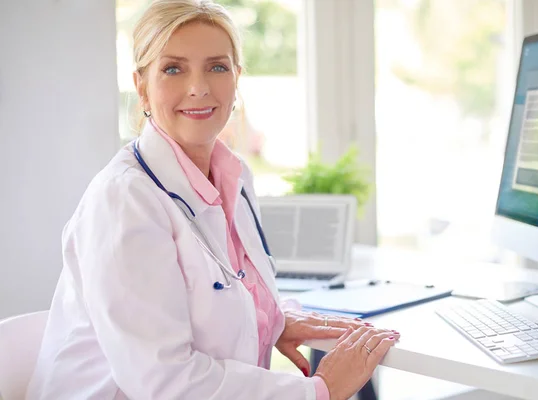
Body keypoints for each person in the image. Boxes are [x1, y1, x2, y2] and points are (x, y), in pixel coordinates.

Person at [26, 1, 400, 399]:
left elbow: (223, 292)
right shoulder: (124, 201)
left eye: (217, 67)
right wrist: (319, 391)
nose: (199, 87)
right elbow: (165, 382)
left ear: (237, 79)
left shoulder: (233, 175)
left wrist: (271, 320)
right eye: (173, 68)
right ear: (141, 87)